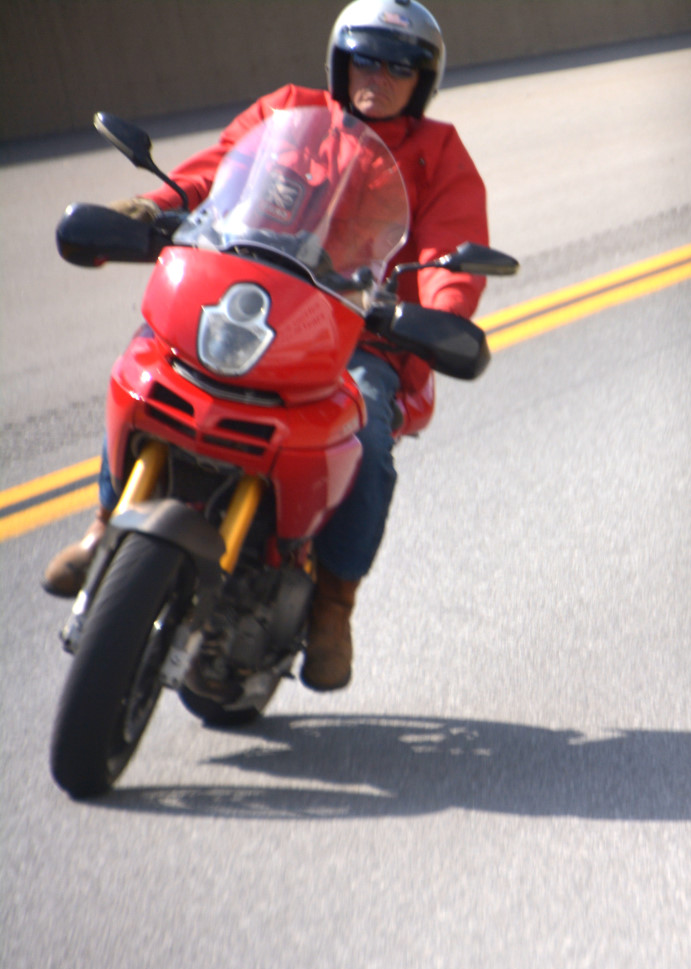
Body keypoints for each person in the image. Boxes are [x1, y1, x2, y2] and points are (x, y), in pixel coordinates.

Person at [42, 0, 489, 693]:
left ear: (423, 81)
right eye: (366, 59)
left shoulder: (440, 155)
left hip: (353, 334)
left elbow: (446, 251)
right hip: (247, 298)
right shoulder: (287, 111)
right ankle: (105, 523)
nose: (379, 77)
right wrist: (152, 209)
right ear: (341, 62)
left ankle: (334, 607)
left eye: (400, 67)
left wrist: (437, 314)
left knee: (367, 436)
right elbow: (214, 174)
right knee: (148, 358)